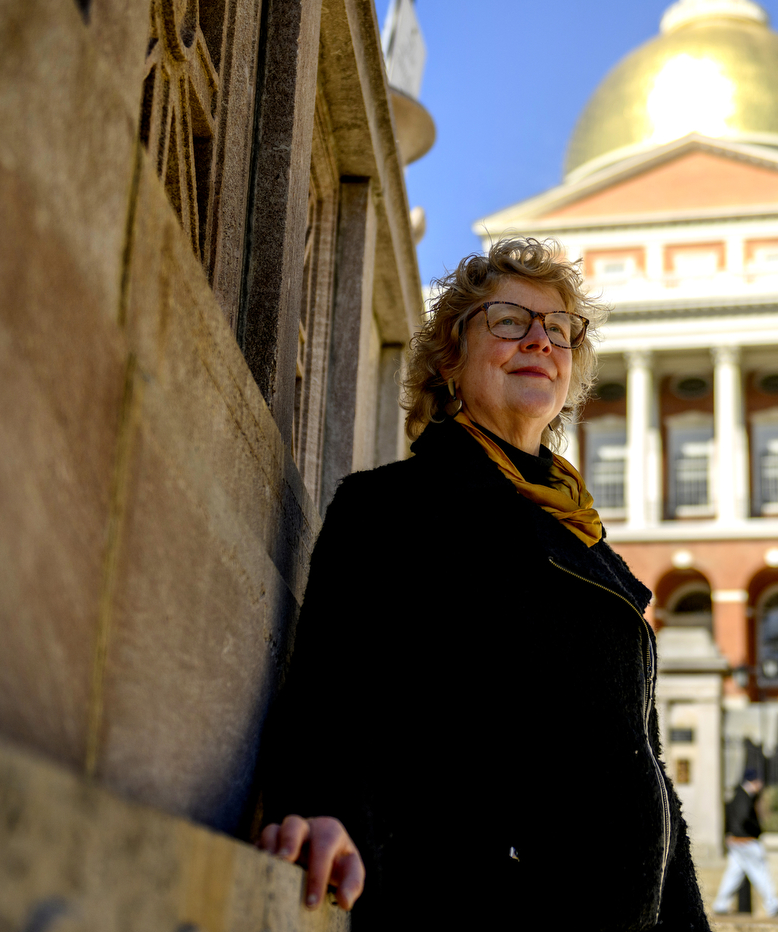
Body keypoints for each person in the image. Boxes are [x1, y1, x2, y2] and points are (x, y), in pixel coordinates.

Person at [254, 237, 710, 931]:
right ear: (449, 362)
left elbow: (646, 774)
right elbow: (335, 688)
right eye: (508, 321)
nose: (539, 340)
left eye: (558, 330)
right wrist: (321, 810)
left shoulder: (586, 544)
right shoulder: (397, 506)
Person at [712, 769, 778, 917]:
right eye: (758, 782)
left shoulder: (737, 795)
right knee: (760, 871)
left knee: (733, 873)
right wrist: (757, 830)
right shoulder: (744, 796)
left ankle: (720, 904)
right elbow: (744, 818)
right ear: (752, 782)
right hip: (746, 841)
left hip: (736, 841)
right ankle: (773, 904)